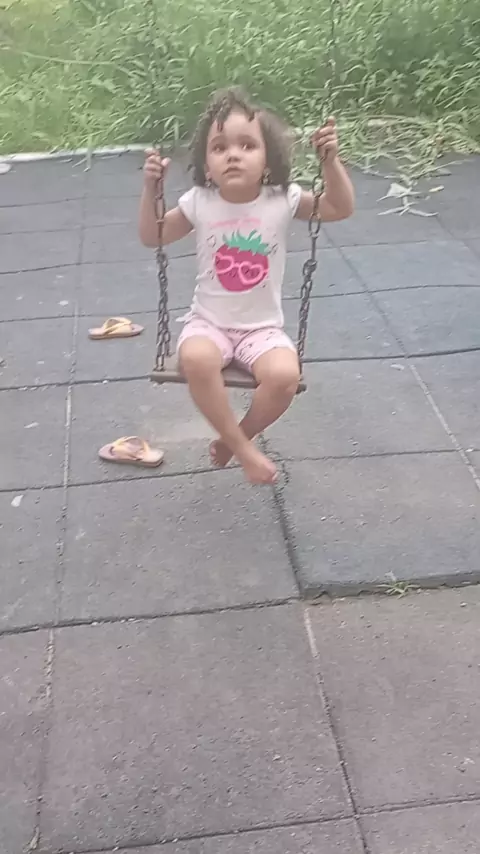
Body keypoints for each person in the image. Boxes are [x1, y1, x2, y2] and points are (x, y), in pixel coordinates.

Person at [139, 87, 354, 485]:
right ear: (206, 165)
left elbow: (339, 208)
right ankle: (244, 450)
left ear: (268, 160)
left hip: (261, 329)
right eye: (219, 147)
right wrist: (152, 189)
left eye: (247, 145)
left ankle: (237, 438)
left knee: (285, 377)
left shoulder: (283, 199)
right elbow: (154, 235)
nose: (233, 154)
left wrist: (330, 162)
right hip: (209, 323)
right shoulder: (199, 201)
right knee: (196, 359)